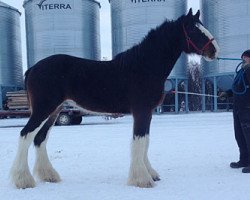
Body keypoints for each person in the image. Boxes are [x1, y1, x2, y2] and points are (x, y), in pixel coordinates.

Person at [220, 50, 250, 173]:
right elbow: (238, 87)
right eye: (242, 57)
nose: (242, 60)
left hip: (248, 107)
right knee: (240, 135)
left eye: (245, 58)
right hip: (238, 107)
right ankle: (244, 160)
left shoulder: (248, 70)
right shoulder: (241, 71)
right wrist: (227, 93)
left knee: (249, 135)